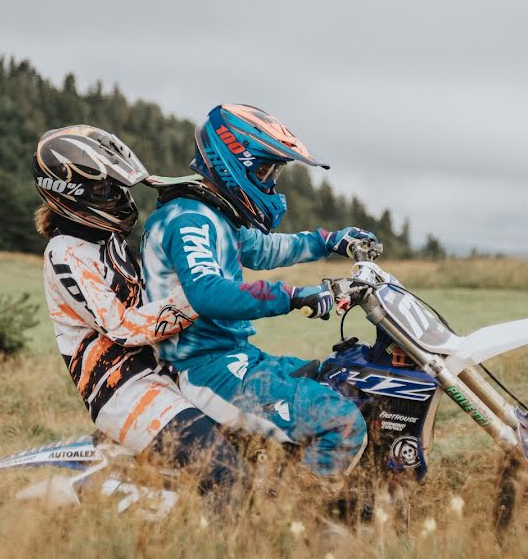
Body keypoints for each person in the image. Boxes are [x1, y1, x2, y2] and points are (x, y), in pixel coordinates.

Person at [141, 104, 378, 481]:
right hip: (205, 368)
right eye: (265, 171)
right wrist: (294, 296)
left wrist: (330, 240)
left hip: (234, 357)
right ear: (232, 162)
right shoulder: (187, 220)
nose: (270, 183)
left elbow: (267, 249)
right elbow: (206, 292)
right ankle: (289, 527)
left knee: (339, 379)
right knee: (342, 424)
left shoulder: (214, 216)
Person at [34, 124, 241, 495]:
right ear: (72, 193)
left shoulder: (108, 239)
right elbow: (123, 326)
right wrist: (200, 297)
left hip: (167, 372)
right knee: (224, 472)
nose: (117, 196)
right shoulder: (65, 252)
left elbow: (148, 294)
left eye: (119, 187)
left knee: (257, 439)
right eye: (106, 189)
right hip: (125, 392)